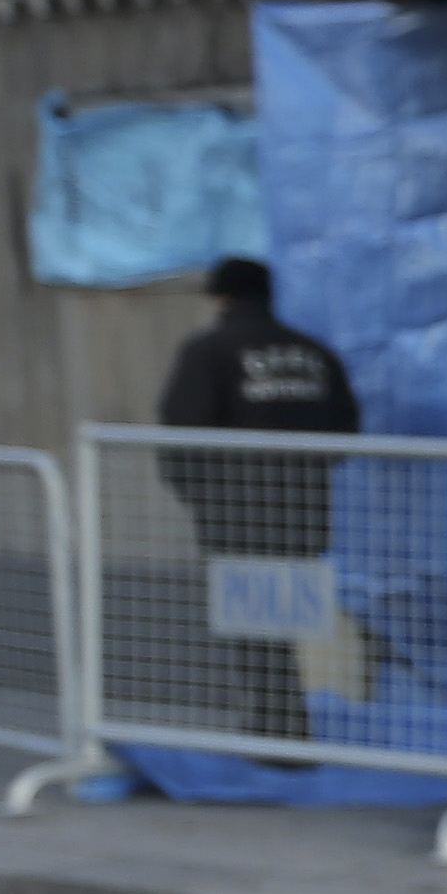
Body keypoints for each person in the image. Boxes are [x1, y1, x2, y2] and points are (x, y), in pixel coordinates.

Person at [156, 257, 357, 744]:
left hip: (237, 513)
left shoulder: (210, 351)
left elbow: (182, 433)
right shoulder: (314, 353)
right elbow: (346, 431)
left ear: (221, 297)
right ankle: (285, 725)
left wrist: (200, 498)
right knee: (281, 625)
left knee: (251, 628)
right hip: (304, 511)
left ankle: (277, 733)